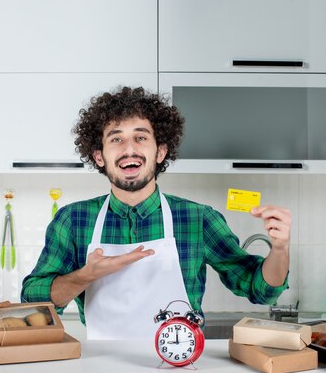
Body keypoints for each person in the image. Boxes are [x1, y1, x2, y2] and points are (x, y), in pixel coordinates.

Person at [21, 86, 291, 340]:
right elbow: (34, 301)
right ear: (99, 156)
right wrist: (86, 275)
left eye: (140, 137)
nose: (129, 149)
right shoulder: (72, 220)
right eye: (116, 139)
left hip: (180, 367)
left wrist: (279, 250)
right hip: (102, 369)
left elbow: (259, 289)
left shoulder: (198, 219)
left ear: (160, 151)